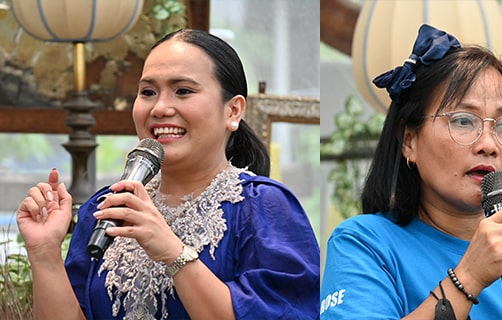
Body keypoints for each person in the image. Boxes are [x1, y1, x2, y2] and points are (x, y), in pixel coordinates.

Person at [16, 29, 321, 320]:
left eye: (183, 91)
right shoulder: (107, 208)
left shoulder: (265, 207)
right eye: (148, 92)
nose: (160, 107)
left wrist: (172, 251)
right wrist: (44, 253)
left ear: (233, 111)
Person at [318, 24, 502, 319]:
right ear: (409, 140)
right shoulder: (364, 245)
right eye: (463, 121)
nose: (488, 144)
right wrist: (468, 276)